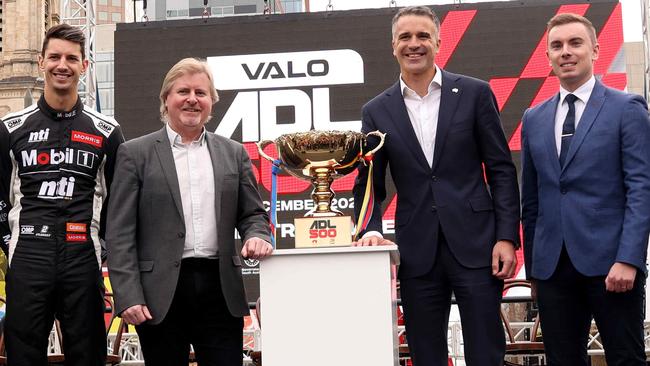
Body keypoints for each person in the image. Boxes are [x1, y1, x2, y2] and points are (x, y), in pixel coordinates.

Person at [352, 6, 520, 366]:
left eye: (423, 36)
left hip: (478, 246)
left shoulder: (475, 93)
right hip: (417, 251)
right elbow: (369, 182)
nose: (415, 44)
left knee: (486, 352)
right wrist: (369, 229)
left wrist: (506, 237)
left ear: (439, 42)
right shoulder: (376, 110)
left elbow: (501, 170)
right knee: (426, 353)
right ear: (393, 46)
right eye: (406, 37)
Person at [106, 57, 273, 366]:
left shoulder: (234, 153)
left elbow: (253, 214)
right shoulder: (135, 154)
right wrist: (128, 294)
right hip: (159, 297)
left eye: (201, 93)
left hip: (221, 292)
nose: (193, 99)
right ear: (166, 99)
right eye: (183, 91)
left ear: (211, 102)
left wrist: (257, 234)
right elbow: (119, 233)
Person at [521, 13, 650, 366]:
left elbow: (641, 188)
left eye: (575, 43)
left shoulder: (628, 109)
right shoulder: (533, 118)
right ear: (547, 55)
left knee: (625, 358)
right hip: (552, 269)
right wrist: (534, 269)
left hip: (613, 265)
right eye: (557, 45)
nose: (566, 52)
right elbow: (530, 201)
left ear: (595, 50)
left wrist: (629, 258)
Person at [0, 24, 125, 365]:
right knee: (23, 356)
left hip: (82, 257)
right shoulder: (11, 128)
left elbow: (120, 203)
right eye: (54, 56)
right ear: (41, 61)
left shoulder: (107, 131)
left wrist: (104, 250)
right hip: (28, 257)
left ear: (84, 66)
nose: (62, 65)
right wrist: (10, 242)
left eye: (72, 58)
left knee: (88, 356)